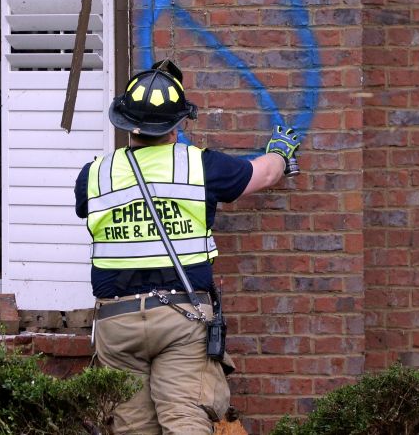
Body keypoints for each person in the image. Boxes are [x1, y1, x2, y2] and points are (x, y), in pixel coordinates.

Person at [75, 58, 300, 435]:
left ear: (126, 123)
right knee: (185, 420)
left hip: (116, 322)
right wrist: (279, 151)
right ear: (178, 124)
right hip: (182, 318)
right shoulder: (201, 167)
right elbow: (264, 174)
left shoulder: (93, 174)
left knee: (131, 428)